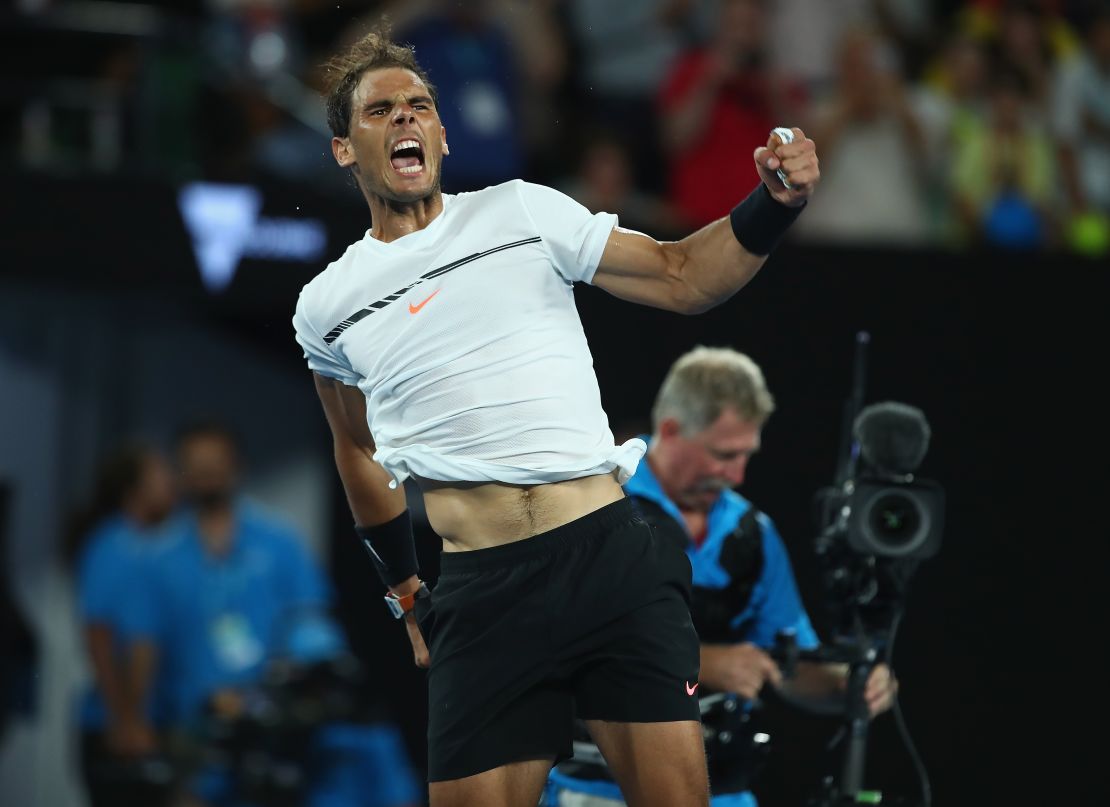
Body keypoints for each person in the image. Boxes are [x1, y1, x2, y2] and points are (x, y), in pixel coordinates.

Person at [293, 24, 819, 807]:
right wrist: (406, 591)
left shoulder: (523, 212)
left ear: (440, 131)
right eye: (379, 111)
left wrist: (773, 205)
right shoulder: (326, 307)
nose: (406, 118)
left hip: (608, 560)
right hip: (483, 590)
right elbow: (358, 451)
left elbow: (681, 275)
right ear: (344, 148)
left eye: (419, 105)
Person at [545, 347, 899, 806]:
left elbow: (789, 664)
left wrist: (849, 685)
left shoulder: (754, 534)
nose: (738, 474)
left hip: (724, 792)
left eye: (747, 455)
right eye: (723, 454)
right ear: (670, 431)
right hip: (597, 790)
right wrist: (707, 663)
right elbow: (556, 646)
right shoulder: (595, 508)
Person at [125, 421, 422, 807]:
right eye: (196, 465)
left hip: (277, 732)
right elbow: (142, 644)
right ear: (181, 473)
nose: (208, 473)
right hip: (195, 735)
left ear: (237, 466)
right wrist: (134, 720)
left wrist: (310, 677)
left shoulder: (279, 541)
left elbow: (311, 621)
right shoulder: (157, 557)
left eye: (217, 462)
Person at [68, 442, 179, 807]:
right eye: (160, 474)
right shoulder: (112, 545)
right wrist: (125, 720)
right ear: (134, 489)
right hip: (115, 726)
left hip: (147, 720)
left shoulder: (152, 546)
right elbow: (98, 635)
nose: (171, 482)